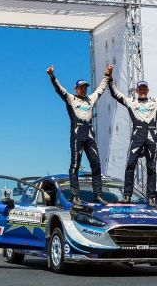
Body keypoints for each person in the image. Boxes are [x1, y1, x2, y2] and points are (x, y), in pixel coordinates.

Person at [107, 66, 157, 206]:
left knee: (151, 168)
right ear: (137, 90)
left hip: (151, 136)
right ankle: (127, 195)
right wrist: (109, 78)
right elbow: (115, 94)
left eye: (144, 88)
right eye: (140, 89)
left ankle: (151, 197)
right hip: (137, 135)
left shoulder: (155, 102)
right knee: (130, 165)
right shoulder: (131, 102)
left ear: (148, 90)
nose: (142, 91)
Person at [47, 65, 111, 207]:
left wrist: (107, 76)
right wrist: (52, 76)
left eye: (85, 87)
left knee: (96, 164)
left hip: (89, 135)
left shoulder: (90, 99)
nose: (83, 89)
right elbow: (59, 89)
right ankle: (75, 195)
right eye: (81, 87)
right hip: (77, 135)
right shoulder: (71, 98)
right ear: (76, 89)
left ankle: (98, 195)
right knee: (75, 165)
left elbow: (100, 89)